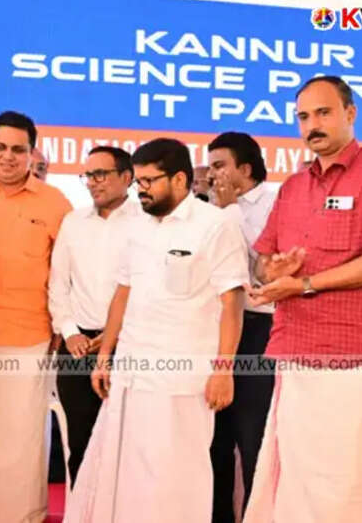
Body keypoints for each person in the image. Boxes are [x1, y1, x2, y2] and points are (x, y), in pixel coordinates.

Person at [242, 76, 362, 523]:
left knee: (347, 488)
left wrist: (304, 285)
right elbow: (265, 264)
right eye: (303, 116)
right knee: (293, 481)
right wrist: (275, 271)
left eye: (323, 113)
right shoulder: (293, 186)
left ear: (350, 113)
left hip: (353, 358)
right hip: (295, 350)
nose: (312, 125)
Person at [65, 138, 248, 522]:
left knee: (175, 478)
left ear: (180, 179)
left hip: (183, 381)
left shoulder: (215, 226)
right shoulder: (137, 227)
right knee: (125, 476)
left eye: (150, 180)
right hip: (131, 374)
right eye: (139, 182)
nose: (141, 189)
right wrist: (104, 357)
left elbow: (232, 304)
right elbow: (123, 292)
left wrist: (223, 369)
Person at [0, 111, 72, 523]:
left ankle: (20, 516)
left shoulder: (55, 203)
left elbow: (68, 271)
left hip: (28, 334)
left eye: (18, 150)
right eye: (1, 147)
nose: (8, 157)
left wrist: (64, 325)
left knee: (19, 437)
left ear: (31, 153)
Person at [48, 145, 137, 487]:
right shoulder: (73, 222)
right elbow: (58, 284)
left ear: (126, 178)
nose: (92, 183)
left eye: (101, 174)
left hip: (128, 342)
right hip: (78, 346)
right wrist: (69, 332)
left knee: (128, 445)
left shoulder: (146, 222)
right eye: (88, 175)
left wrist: (116, 334)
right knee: (81, 444)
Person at [206, 132, 277, 523]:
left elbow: (260, 270)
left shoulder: (275, 203)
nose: (212, 174)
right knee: (214, 442)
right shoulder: (209, 207)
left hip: (258, 332)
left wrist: (229, 210)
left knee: (252, 439)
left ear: (245, 169)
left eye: (220, 166)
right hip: (214, 329)